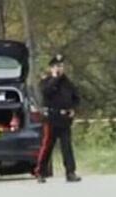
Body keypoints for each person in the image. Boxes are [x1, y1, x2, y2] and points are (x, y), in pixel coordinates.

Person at [34, 54, 82, 183]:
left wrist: (73, 109)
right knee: (48, 145)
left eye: (61, 66)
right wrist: (54, 78)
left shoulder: (68, 83)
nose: (59, 69)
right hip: (51, 118)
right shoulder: (46, 82)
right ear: (51, 68)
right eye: (56, 66)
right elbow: (46, 92)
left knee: (67, 146)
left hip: (64, 119)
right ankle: (40, 172)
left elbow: (76, 97)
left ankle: (70, 172)